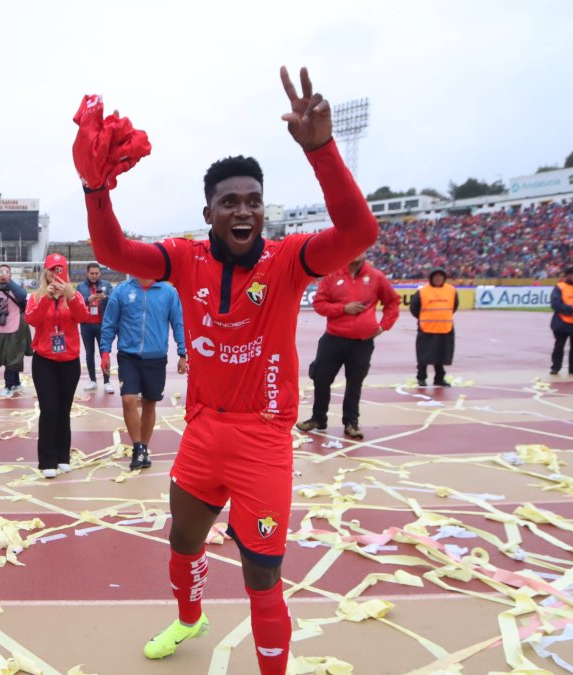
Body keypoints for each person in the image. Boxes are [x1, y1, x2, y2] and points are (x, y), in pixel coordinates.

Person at [78, 66, 377, 674]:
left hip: (264, 440)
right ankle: (191, 619)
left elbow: (360, 231)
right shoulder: (182, 257)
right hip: (203, 433)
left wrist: (321, 150)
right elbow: (113, 253)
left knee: (261, 574)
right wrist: (95, 191)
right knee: (182, 541)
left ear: (264, 210)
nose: (244, 211)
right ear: (209, 211)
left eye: (253, 201)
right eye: (230, 202)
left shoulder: (289, 259)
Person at [296, 253, 399, 440]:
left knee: (355, 382)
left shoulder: (376, 277)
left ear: (366, 251)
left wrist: (383, 326)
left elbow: (393, 302)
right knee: (320, 377)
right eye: (353, 248)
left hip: (362, 342)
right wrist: (344, 308)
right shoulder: (331, 275)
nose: (356, 253)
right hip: (333, 338)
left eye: (361, 249)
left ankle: (351, 423)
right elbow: (319, 305)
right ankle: (318, 418)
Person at [99, 275, 186, 470]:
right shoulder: (121, 291)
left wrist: (182, 352)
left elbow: (178, 322)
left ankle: (144, 448)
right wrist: (105, 351)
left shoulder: (168, 292)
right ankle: (137, 448)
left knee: (149, 403)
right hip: (128, 356)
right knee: (128, 399)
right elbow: (109, 322)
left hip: (156, 357)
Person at [25, 253, 90, 479]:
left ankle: (63, 456)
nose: (55, 274)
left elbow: (83, 316)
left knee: (64, 409)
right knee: (49, 409)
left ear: (66, 272)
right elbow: (32, 320)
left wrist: (70, 296)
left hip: (69, 361)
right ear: (45, 272)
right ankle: (47, 460)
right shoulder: (35, 297)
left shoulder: (75, 296)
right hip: (44, 361)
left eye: (59, 269)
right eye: (52, 270)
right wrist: (46, 298)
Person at [0, 264, 29, 397]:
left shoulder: (16, 287)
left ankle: (9, 385)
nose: (3, 274)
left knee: (12, 357)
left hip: (15, 326)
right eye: (0, 273)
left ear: (10, 274)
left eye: (6, 272)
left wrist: (9, 281)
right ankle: (16, 383)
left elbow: (21, 296)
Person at [410, 268, 457, 387]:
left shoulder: (451, 290)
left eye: (440, 277)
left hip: (445, 328)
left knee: (441, 356)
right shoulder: (422, 291)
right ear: (431, 278)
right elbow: (414, 308)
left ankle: (439, 378)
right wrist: (424, 318)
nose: (438, 279)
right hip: (427, 328)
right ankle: (421, 378)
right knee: (423, 356)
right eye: (435, 277)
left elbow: (454, 306)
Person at [76, 263, 114, 393]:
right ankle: (92, 380)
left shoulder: (107, 285)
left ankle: (107, 381)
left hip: (102, 325)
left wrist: (105, 297)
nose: (94, 276)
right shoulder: (80, 287)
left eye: (96, 273)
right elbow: (76, 303)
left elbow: (115, 302)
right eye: (92, 273)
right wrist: (87, 299)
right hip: (86, 324)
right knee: (89, 354)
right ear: (87, 273)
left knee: (104, 353)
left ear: (100, 273)